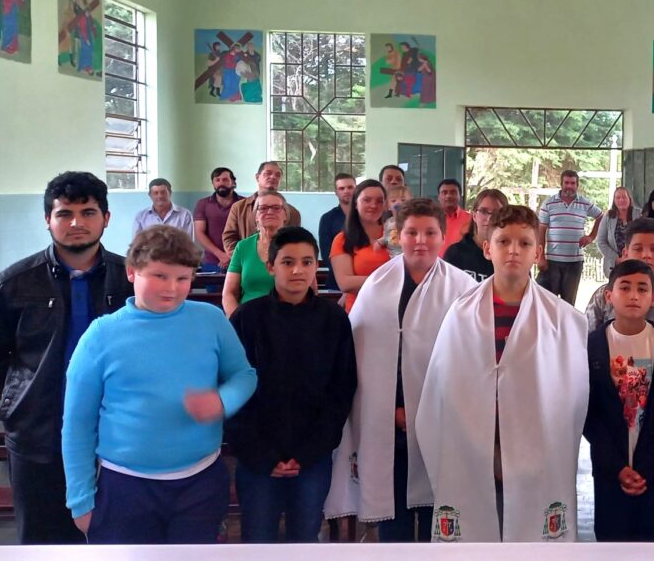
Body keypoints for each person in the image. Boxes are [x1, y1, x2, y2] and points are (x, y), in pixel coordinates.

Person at [61, 226, 257, 544]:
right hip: (124, 486)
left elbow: (244, 375)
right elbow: (77, 424)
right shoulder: (101, 335)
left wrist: (222, 402)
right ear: (131, 272)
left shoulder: (210, 320)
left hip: (200, 483)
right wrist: (80, 500)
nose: (171, 288)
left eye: (182, 278)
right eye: (159, 276)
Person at [417, 205, 588, 542]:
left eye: (524, 243)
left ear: (538, 253)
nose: (513, 250)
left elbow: (570, 398)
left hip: (536, 455)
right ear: (487, 247)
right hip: (471, 451)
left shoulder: (564, 320)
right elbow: (443, 388)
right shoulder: (461, 313)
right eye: (503, 241)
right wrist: (483, 441)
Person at [0, 172, 133, 544]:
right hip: (39, 434)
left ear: (107, 218)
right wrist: (29, 390)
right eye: (65, 214)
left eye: (88, 212)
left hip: (119, 433)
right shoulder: (12, 283)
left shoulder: (131, 278)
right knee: (42, 541)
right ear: (47, 219)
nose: (77, 223)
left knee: (116, 540)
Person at [325, 199, 477, 541]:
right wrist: (394, 408)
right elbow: (365, 356)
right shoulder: (377, 286)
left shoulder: (463, 289)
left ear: (443, 237)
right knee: (395, 522)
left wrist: (423, 410)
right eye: (412, 232)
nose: (420, 240)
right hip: (388, 423)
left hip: (441, 423)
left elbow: (470, 363)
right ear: (398, 234)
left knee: (438, 517)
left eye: (430, 233)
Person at [227, 226, 356, 543]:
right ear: (270, 267)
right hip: (258, 458)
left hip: (311, 457)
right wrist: (261, 454)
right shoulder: (247, 318)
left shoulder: (334, 320)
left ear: (316, 266)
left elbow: (341, 389)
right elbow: (231, 391)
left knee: (305, 538)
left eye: (307, 261)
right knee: (257, 539)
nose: (298, 270)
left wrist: (310, 450)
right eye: (287, 262)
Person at [583, 260, 654, 541]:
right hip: (610, 470)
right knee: (611, 539)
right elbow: (588, 413)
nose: (633, 295)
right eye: (625, 287)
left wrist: (647, 466)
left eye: (642, 289)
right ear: (609, 295)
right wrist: (616, 467)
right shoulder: (593, 346)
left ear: (652, 298)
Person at [584, 218, 654, 335]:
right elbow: (585, 341)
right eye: (638, 249)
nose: (646, 255)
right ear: (626, 254)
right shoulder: (604, 295)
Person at [537, 170, 603, 305]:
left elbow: (601, 216)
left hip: (574, 262)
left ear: (577, 185)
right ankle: (550, 327)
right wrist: (540, 257)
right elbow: (541, 230)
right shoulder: (548, 204)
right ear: (561, 184)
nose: (569, 186)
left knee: (568, 303)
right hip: (552, 261)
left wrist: (591, 237)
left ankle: (566, 327)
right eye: (566, 182)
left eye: (573, 183)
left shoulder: (585, 203)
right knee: (549, 302)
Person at [223, 192, 293, 316]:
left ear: (285, 215)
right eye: (263, 208)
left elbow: (311, 290)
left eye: (276, 208)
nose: (270, 212)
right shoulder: (243, 247)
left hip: (287, 317)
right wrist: (237, 321)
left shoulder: (296, 245)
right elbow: (229, 293)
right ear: (256, 216)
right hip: (247, 317)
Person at [329, 180, 392, 313]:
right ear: (356, 203)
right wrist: (391, 281)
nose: (373, 205)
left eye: (380, 201)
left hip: (394, 309)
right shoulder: (342, 239)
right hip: (360, 312)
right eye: (367, 200)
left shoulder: (395, 234)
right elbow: (345, 283)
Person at [223, 161, 302, 254]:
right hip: (246, 265)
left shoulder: (292, 212)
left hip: (279, 264)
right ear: (257, 177)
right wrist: (243, 257)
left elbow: (295, 241)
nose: (273, 177)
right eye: (268, 173)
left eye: (278, 175)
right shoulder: (239, 208)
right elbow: (229, 237)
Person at [443, 188, 507, 282]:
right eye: (484, 211)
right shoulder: (455, 253)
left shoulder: (511, 255)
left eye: (497, 213)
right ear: (474, 216)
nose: (489, 218)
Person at [193, 167, 243, 273]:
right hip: (212, 261)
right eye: (217, 180)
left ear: (233, 182)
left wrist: (231, 256)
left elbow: (249, 233)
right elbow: (199, 232)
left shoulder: (244, 203)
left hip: (241, 260)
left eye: (225, 180)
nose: (221, 183)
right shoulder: (203, 204)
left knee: (239, 290)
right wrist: (221, 255)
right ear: (213, 183)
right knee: (214, 290)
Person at [318, 173, 356, 291]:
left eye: (350, 187)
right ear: (336, 192)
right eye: (341, 188)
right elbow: (326, 253)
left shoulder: (366, 216)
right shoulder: (327, 218)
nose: (346, 191)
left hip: (365, 276)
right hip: (336, 282)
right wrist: (345, 275)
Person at [595, 186, 639, 278]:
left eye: (624, 197)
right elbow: (601, 241)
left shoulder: (639, 215)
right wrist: (617, 259)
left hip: (636, 263)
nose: (621, 200)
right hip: (615, 266)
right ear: (614, 200)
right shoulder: (608, 217)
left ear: (629, 199)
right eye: (618, 198)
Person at [437, 179, 472, 256]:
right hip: (435, 265)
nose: (448, 196)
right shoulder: (431, 219)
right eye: (444, 192)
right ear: (438, 197)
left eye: (453, 192)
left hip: (461, 266)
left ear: (460, 196)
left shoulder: (471, 220)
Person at [378, 184, 413, 257]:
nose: (398, 203)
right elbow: (386, 236)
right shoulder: (388, 222)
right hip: (393, 255)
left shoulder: (412, 220)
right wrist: (380, 242)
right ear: (388, 206)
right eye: (393, 201)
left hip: (408, 254)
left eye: (403, 200)